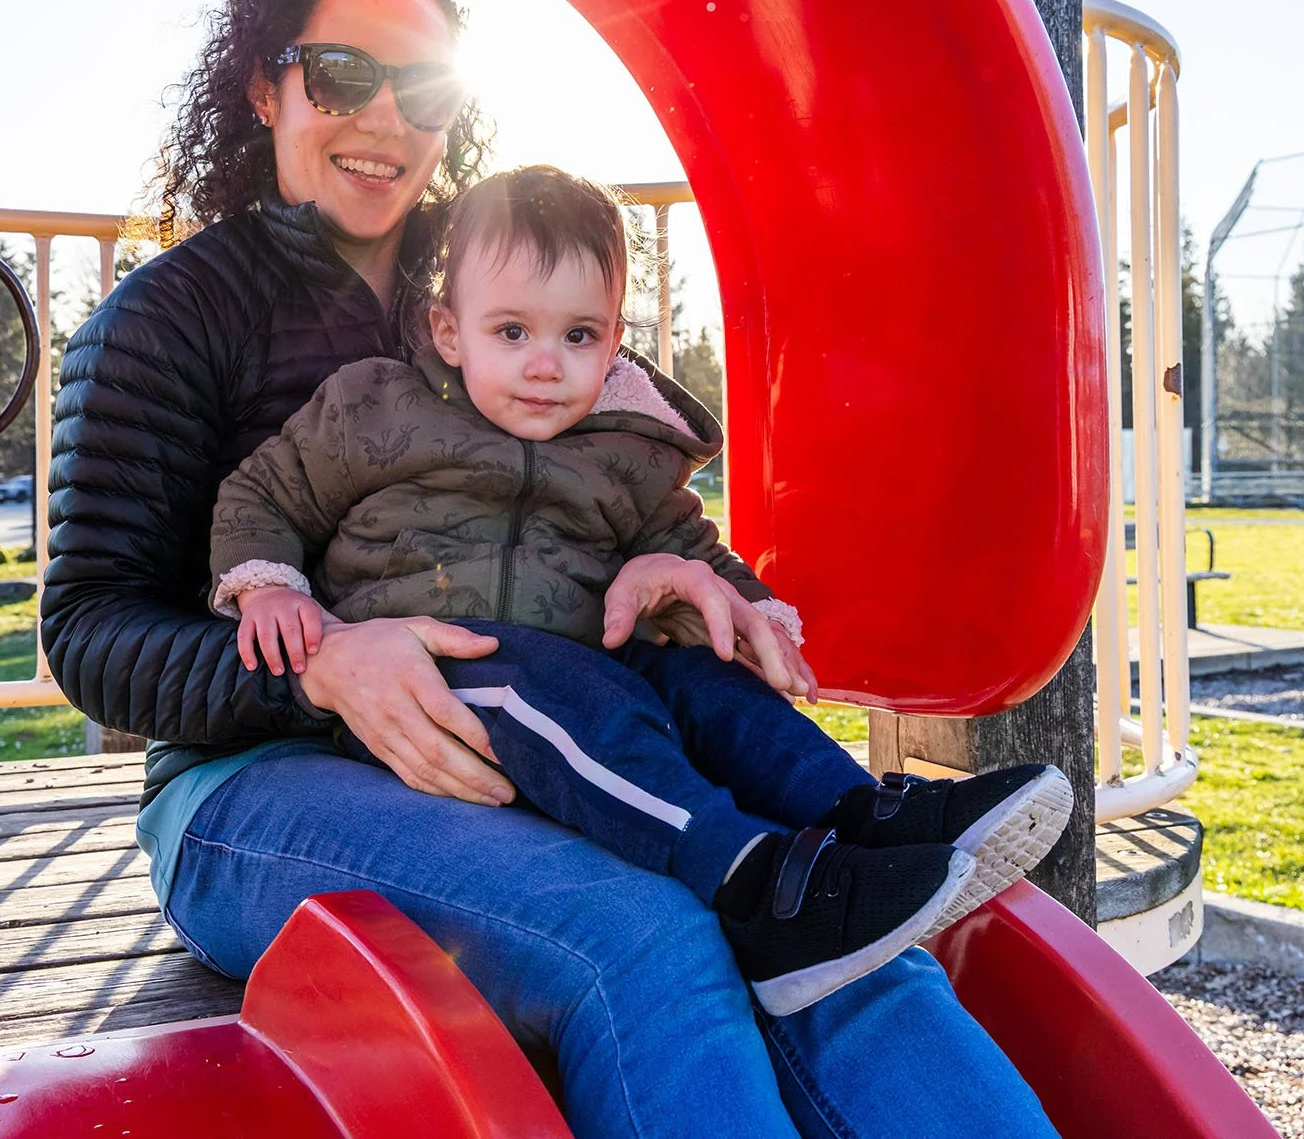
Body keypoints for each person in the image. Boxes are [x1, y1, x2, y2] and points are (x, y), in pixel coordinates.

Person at [44, 0, 1061, 1137]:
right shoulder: (166, 322)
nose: (382, 120)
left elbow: (602, 483)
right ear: (266, 85)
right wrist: (321, 666)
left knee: (838, 934)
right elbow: (91, 632)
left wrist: (662, 571)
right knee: (642, 937)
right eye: (341, 75)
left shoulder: (499, 286)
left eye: (418, 89)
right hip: (247, 784)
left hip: (548, 728)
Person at [209, 164, 1073, 1014]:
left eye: (577, 336)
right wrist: (267, 587)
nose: (545, 364)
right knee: (537, 678)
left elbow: (687, 548)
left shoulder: (622, 449)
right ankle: (750, 883)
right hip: (438, 685)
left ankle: (864, 813)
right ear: (448, 330)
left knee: (703, 683)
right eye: (511, 331)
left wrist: (744, 611)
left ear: (614, 340)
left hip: (586, 687)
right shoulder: (376, 411)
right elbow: (265, 492)